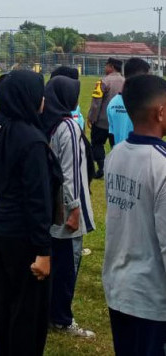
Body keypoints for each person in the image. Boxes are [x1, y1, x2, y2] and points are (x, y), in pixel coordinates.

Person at [0, 70, 60, 356]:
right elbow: (37, 199)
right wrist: (43, 251)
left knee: (5, 303)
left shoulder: (3, 130)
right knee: (27, 311)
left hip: (3, 226)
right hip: (24, 235)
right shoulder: (31, 140)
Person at [103, 74, 166, 356]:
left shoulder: (115, 153)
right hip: (152, 298)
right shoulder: (161, 165)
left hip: (119, 288)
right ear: (161, 112)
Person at [42, 76, 96, 338]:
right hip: (67, 211)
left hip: (51, 208)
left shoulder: (47, 123)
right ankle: (62, 318)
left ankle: (52, 312)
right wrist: (75, 209)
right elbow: (70, 172)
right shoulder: (69, 127)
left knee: (55, 262)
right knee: (67, 265)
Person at [88, 57, 125, 178]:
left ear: (112, 67)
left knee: (97, 144)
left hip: (102, 122)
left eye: (106, 66)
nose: (105, 68)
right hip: (119, 121)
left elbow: (96, 102)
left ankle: (102, 169)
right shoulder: (126, 81)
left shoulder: (103, 81)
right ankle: (117, 169)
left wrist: (92, 117)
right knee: (117, 145)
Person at [107, 57, 151, 145]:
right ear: (141, 77)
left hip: (120, 153)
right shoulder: (146, 103)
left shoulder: (113, 103)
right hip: (140, 155)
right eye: (148, 76)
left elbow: (111, 134)